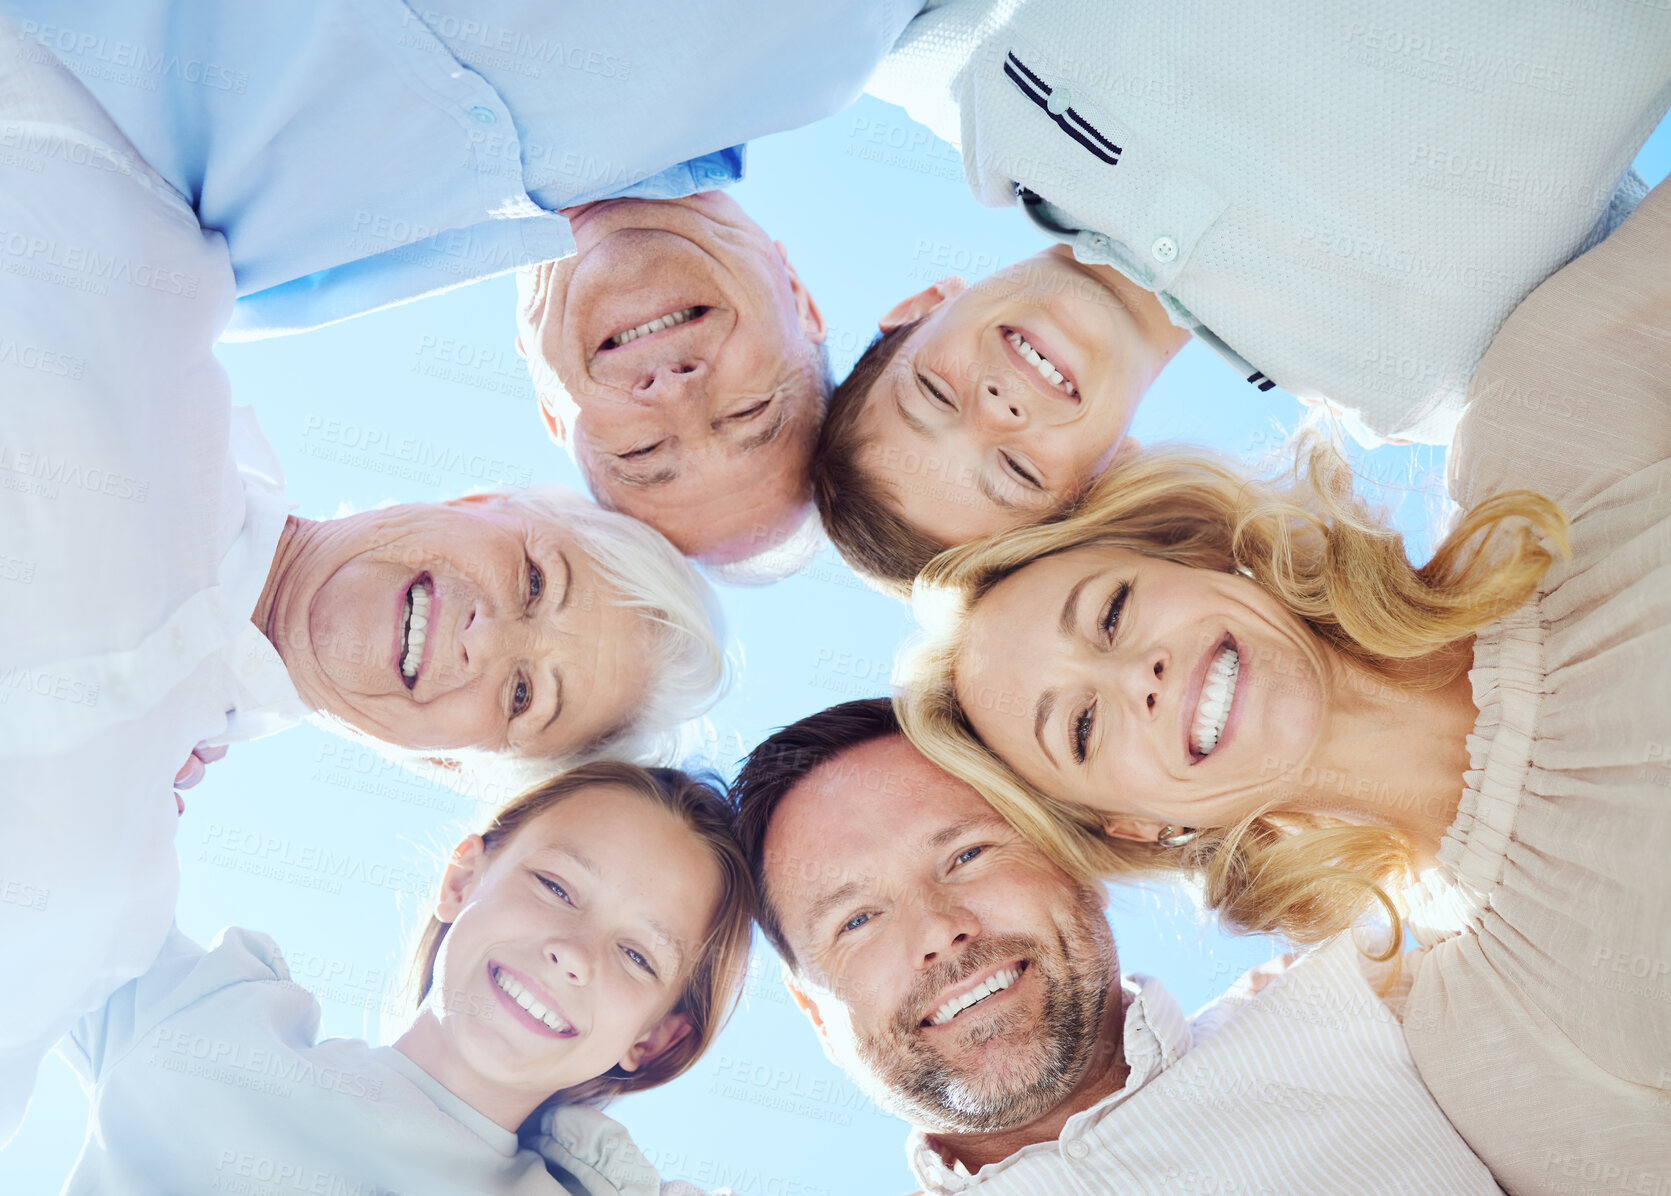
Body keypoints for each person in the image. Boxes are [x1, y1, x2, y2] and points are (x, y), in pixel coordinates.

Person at [0, 26, 719, 1143]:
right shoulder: (151, 284)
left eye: (527, 695)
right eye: (533, 576)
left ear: (448, 761)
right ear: (480, 501)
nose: (489, 634)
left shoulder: (111, 901)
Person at [896, 174, 1671, 1189]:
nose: (1141, 674)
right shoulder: (1489, 1044)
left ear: (1198, 555)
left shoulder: (1550, 437)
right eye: (1083, 725)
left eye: (1116, 611)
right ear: (1132, 823)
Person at [0, 0, 922, 571]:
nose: (675, 395)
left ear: (551, 405)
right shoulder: (823, 33)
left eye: (644, 455)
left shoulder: (232, 283)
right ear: (800, 299)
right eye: (748, 413)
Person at [820, 0, 1671, 589]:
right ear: (1105, 473)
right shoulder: (1428, 390)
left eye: (932, 392)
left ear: (918, 306)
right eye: (1011, 468)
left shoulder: (958, 60)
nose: (995, 408)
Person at [729, 699, 1503, 1193]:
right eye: (856, 920)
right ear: (813, 1016)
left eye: (966, 855)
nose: (937, 930)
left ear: (1076, 863)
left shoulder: (1383, 1003)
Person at [51, 762, 754, 1195]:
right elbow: (50, 854)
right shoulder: (207, 1013)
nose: (575, 953)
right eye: (555, 886)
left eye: (637, 956)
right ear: (461, 879)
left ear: (655, 1040)